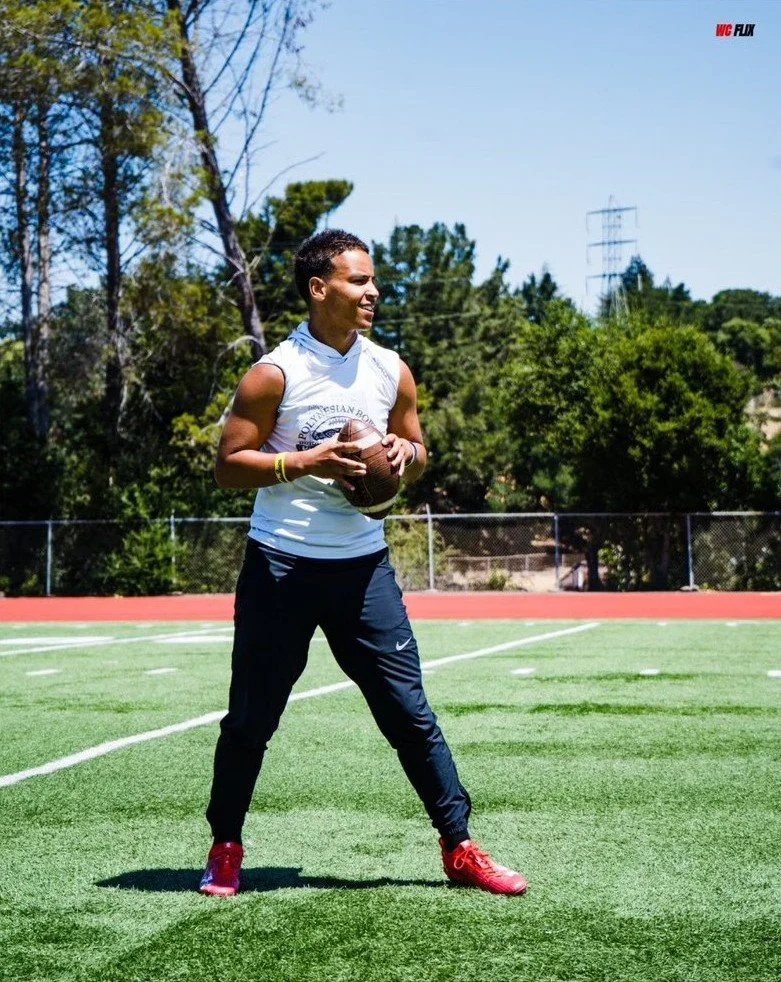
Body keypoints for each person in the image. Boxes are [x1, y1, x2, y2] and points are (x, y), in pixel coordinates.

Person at [199, 229, 527, 898]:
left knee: (409, 714)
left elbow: (414, 440)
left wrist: (407, 455)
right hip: (281, 567)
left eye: (372, 280)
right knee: (251, 719)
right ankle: (225, 846)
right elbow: (227, 467)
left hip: (362, 569)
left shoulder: (388, 367)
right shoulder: (274, 372)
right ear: (320, 289)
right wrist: (306, 460)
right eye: (356, 281)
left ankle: (459, 848)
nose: (372, 290)